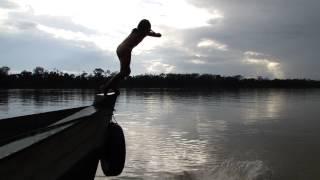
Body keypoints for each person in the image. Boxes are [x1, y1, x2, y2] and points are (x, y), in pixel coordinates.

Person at [101, 19, 161, 94]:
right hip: (126, 49)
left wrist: (152, 32)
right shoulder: (144, 32)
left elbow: (153, 34)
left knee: (124, 72)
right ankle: (106, 87)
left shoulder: (136, 30)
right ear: (146, 28)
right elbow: (158, 35)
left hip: (120, 48)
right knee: (125, 72)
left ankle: (112, 86)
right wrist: (154, 32)